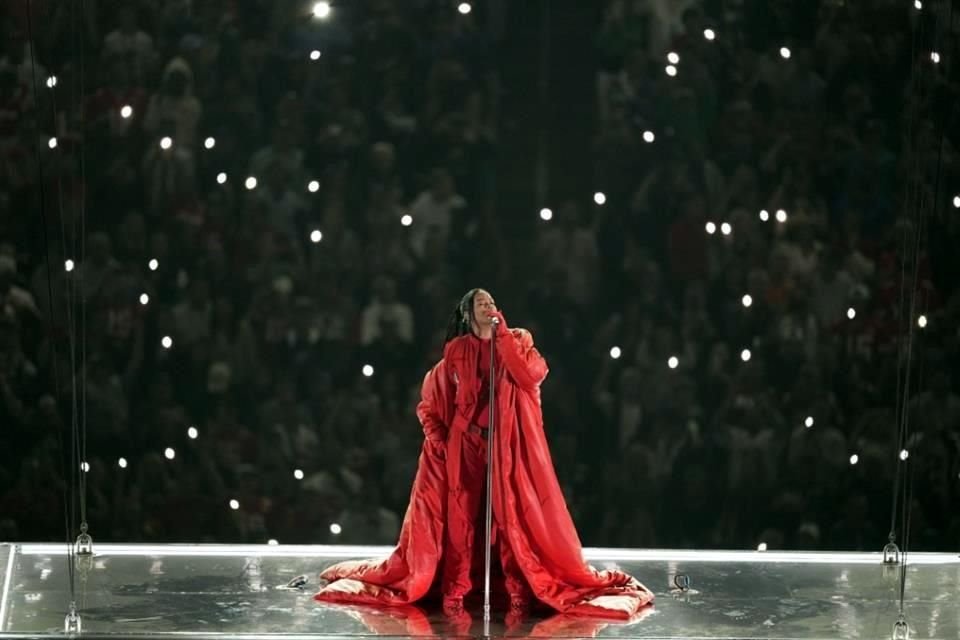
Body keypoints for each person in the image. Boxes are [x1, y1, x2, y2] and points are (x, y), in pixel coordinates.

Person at [314, 288, 654, 618]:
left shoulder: (518, 339)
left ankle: (519, 590)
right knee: (463, 516)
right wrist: (441, 440)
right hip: (466, 444)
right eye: (480, 302)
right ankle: (455, 590)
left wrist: (503, 337)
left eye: (491, 300)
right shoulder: (456, 350)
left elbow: (530, 375)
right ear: (467, 312)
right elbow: (431, 401)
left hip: (504, 444)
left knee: (507, 516)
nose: (488, 304)